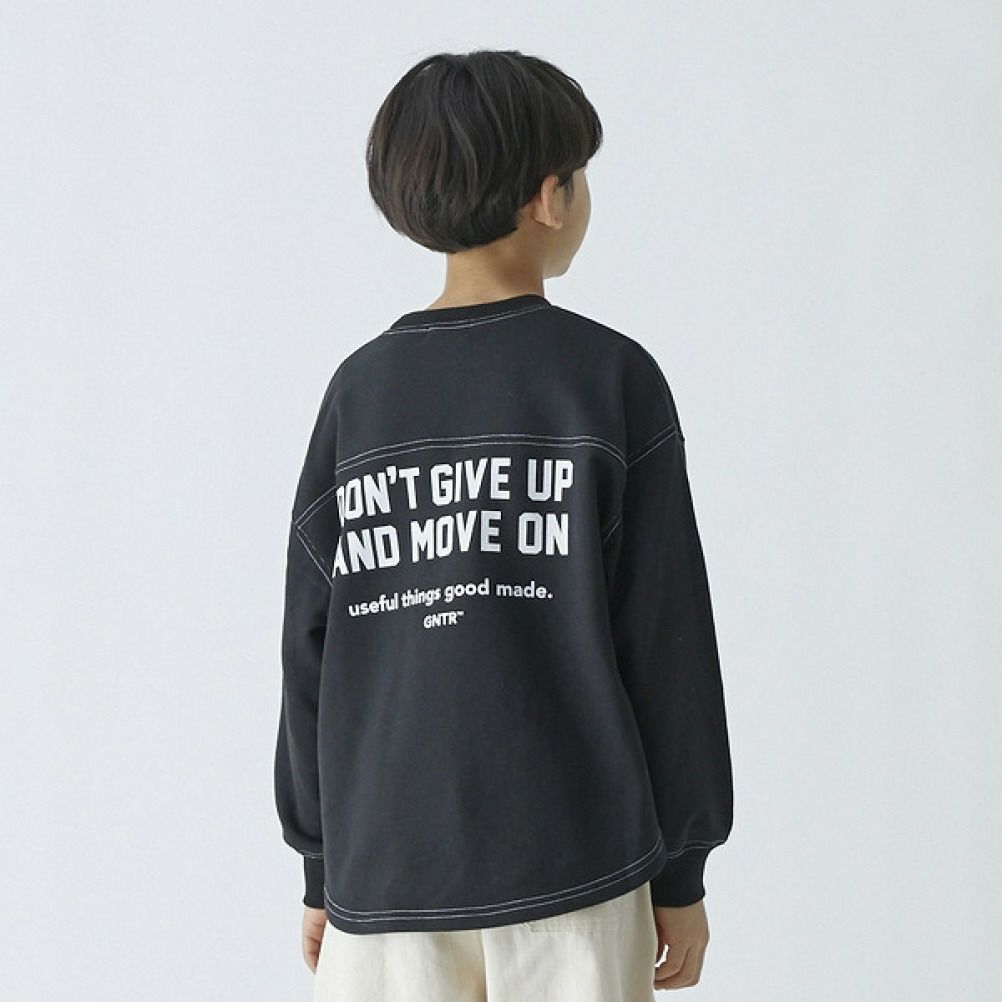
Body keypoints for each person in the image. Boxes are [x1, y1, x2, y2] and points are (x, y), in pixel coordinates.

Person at [273, 49, 734, 1001]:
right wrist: (680, 873)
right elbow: (668, 642)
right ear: (550, 197)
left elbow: (310, 646)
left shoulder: (361, 394)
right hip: (578, 867)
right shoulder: (607, 379)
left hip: (389, 873)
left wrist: (323, 864)